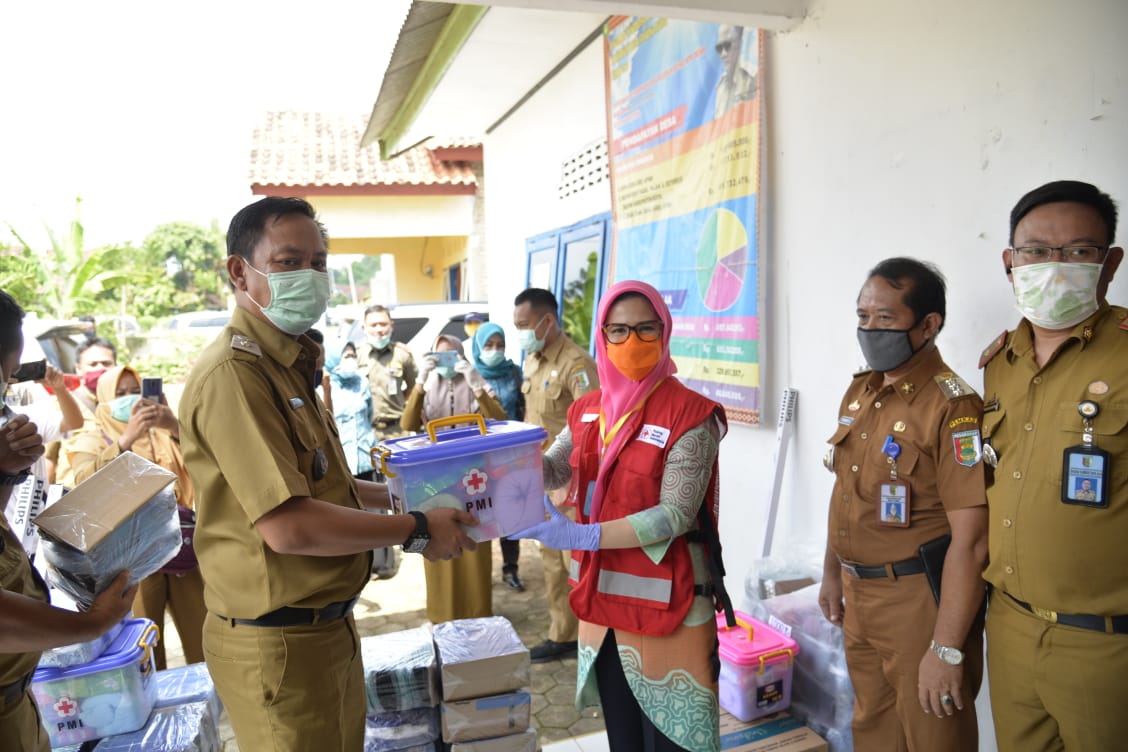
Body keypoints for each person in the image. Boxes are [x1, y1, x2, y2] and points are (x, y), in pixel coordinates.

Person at [178, 196, 477, 751]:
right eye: (289, 262)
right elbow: (289, 526)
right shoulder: (235, 375)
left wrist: (408, 494)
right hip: (277, 642)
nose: (309, 277)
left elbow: (326, 486)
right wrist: (415, 527)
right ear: (240, 271)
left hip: (324, 629)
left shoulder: (289, 363)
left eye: (318, 263)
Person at [516, 280, 728, 752]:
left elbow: (674, 513)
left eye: (645, 329)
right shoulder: (588, 410)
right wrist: (504, 458)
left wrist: (582, 535)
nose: (632, 342)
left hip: (669, 607)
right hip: (602, 605)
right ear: (602, 336)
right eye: (618, 331)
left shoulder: (691, 415)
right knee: (625, 738)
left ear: (665, 332)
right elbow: (554, 469)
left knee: (676, 741)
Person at [979, 180, 1127, 751]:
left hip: (1105, 646)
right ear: (1011, 263)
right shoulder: (1000, 364)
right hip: (1011, 626)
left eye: (1078, 251)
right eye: (1037, 251)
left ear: (1109, 264)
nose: (1055, 265)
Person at [817, 258, 988, 751]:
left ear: (928, 325)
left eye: (885, 318)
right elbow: (844, 491)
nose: (870, 329)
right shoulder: (862, 390)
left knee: (935, 735)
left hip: (918, 600)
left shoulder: (952, 408)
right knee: (873, 730)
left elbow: (972, 541)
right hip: (858, 593)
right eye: (863, 316)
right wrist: (832, 571)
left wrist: (947, 648)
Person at [0, 289, 136, 751]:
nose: (6, 389)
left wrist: (6, 470)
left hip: (17, 702)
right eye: (5, 375)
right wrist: (90, 625)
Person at [66, 365, 206, 670]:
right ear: (103, 397)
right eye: (120, 393)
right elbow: (82, 482)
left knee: (203, 638)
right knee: (142, 646)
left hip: (181, 547)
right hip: (131, 560)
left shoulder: (163, 431)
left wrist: (175, 426)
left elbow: (206, 465)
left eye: (135, 392)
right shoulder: (93, 434)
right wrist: (125, 440)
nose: (129, 399)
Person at [513, 287, 599, 662]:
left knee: (575, 565)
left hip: (569, 484)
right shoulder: (532, 359)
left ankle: (592, 638)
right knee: (550, 561)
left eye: (524, 325)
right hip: (539, 478)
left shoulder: (576, 364)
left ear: (547, 320)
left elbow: (593, 429)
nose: (520, 331)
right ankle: (561, 634)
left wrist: (573, 485)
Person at [401, 333, 504, 623]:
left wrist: (476, 383)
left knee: (474, 542)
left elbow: (499, 419)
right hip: (435, 478)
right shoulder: (427, 385)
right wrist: (420, 381)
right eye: (440, 357)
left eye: (453, 356)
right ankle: (443, 617)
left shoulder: (474, 382)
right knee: (438, 540)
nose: (446, 363)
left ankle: (477, 614)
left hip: (475, 477)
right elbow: (408, 423)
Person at [4, 364, 83, 557]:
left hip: (40, 532)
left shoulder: (25, 418)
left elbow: (74, 422)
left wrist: (59, 388)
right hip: (7, 538)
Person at [471, 321, 527, 591]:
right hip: (476, 458)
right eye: (489, 345)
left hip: (510, 455)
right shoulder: (469, 375)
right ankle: (479, 576)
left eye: (500, 345)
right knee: (479, 515)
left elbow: (523, 411)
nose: (495, 350)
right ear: (478, 347)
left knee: (510, 513)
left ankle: (510, 568)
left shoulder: (515, 373)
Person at [52, 337, 118, 487]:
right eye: (93, 364)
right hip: (73, 492)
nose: (100, 368)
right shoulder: (63, 403)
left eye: (106, 363)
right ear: (78, 368)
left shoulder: (123, 403)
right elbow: (49, 456)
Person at [357, 304, 417, 442]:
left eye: (383, 324)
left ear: (391, 326)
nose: (379, 330)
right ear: (364, 328)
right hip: (366, 431)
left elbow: (413, 388)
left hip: (397, 430)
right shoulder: (356, 355)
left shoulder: (402, 354)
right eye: (373, 325)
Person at [325, 340, 377, 480]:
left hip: (365, 459)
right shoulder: (324, 387)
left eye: (353, 356)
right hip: (341, 461)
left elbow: (369, 416)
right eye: (347, 356)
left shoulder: (362, 382)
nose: (352, 360)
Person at [714, 24, 756, 119]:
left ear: (739, 44)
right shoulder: (719, 89)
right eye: (719, 48)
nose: (723, 54)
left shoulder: (750, 83)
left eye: (727, 46)